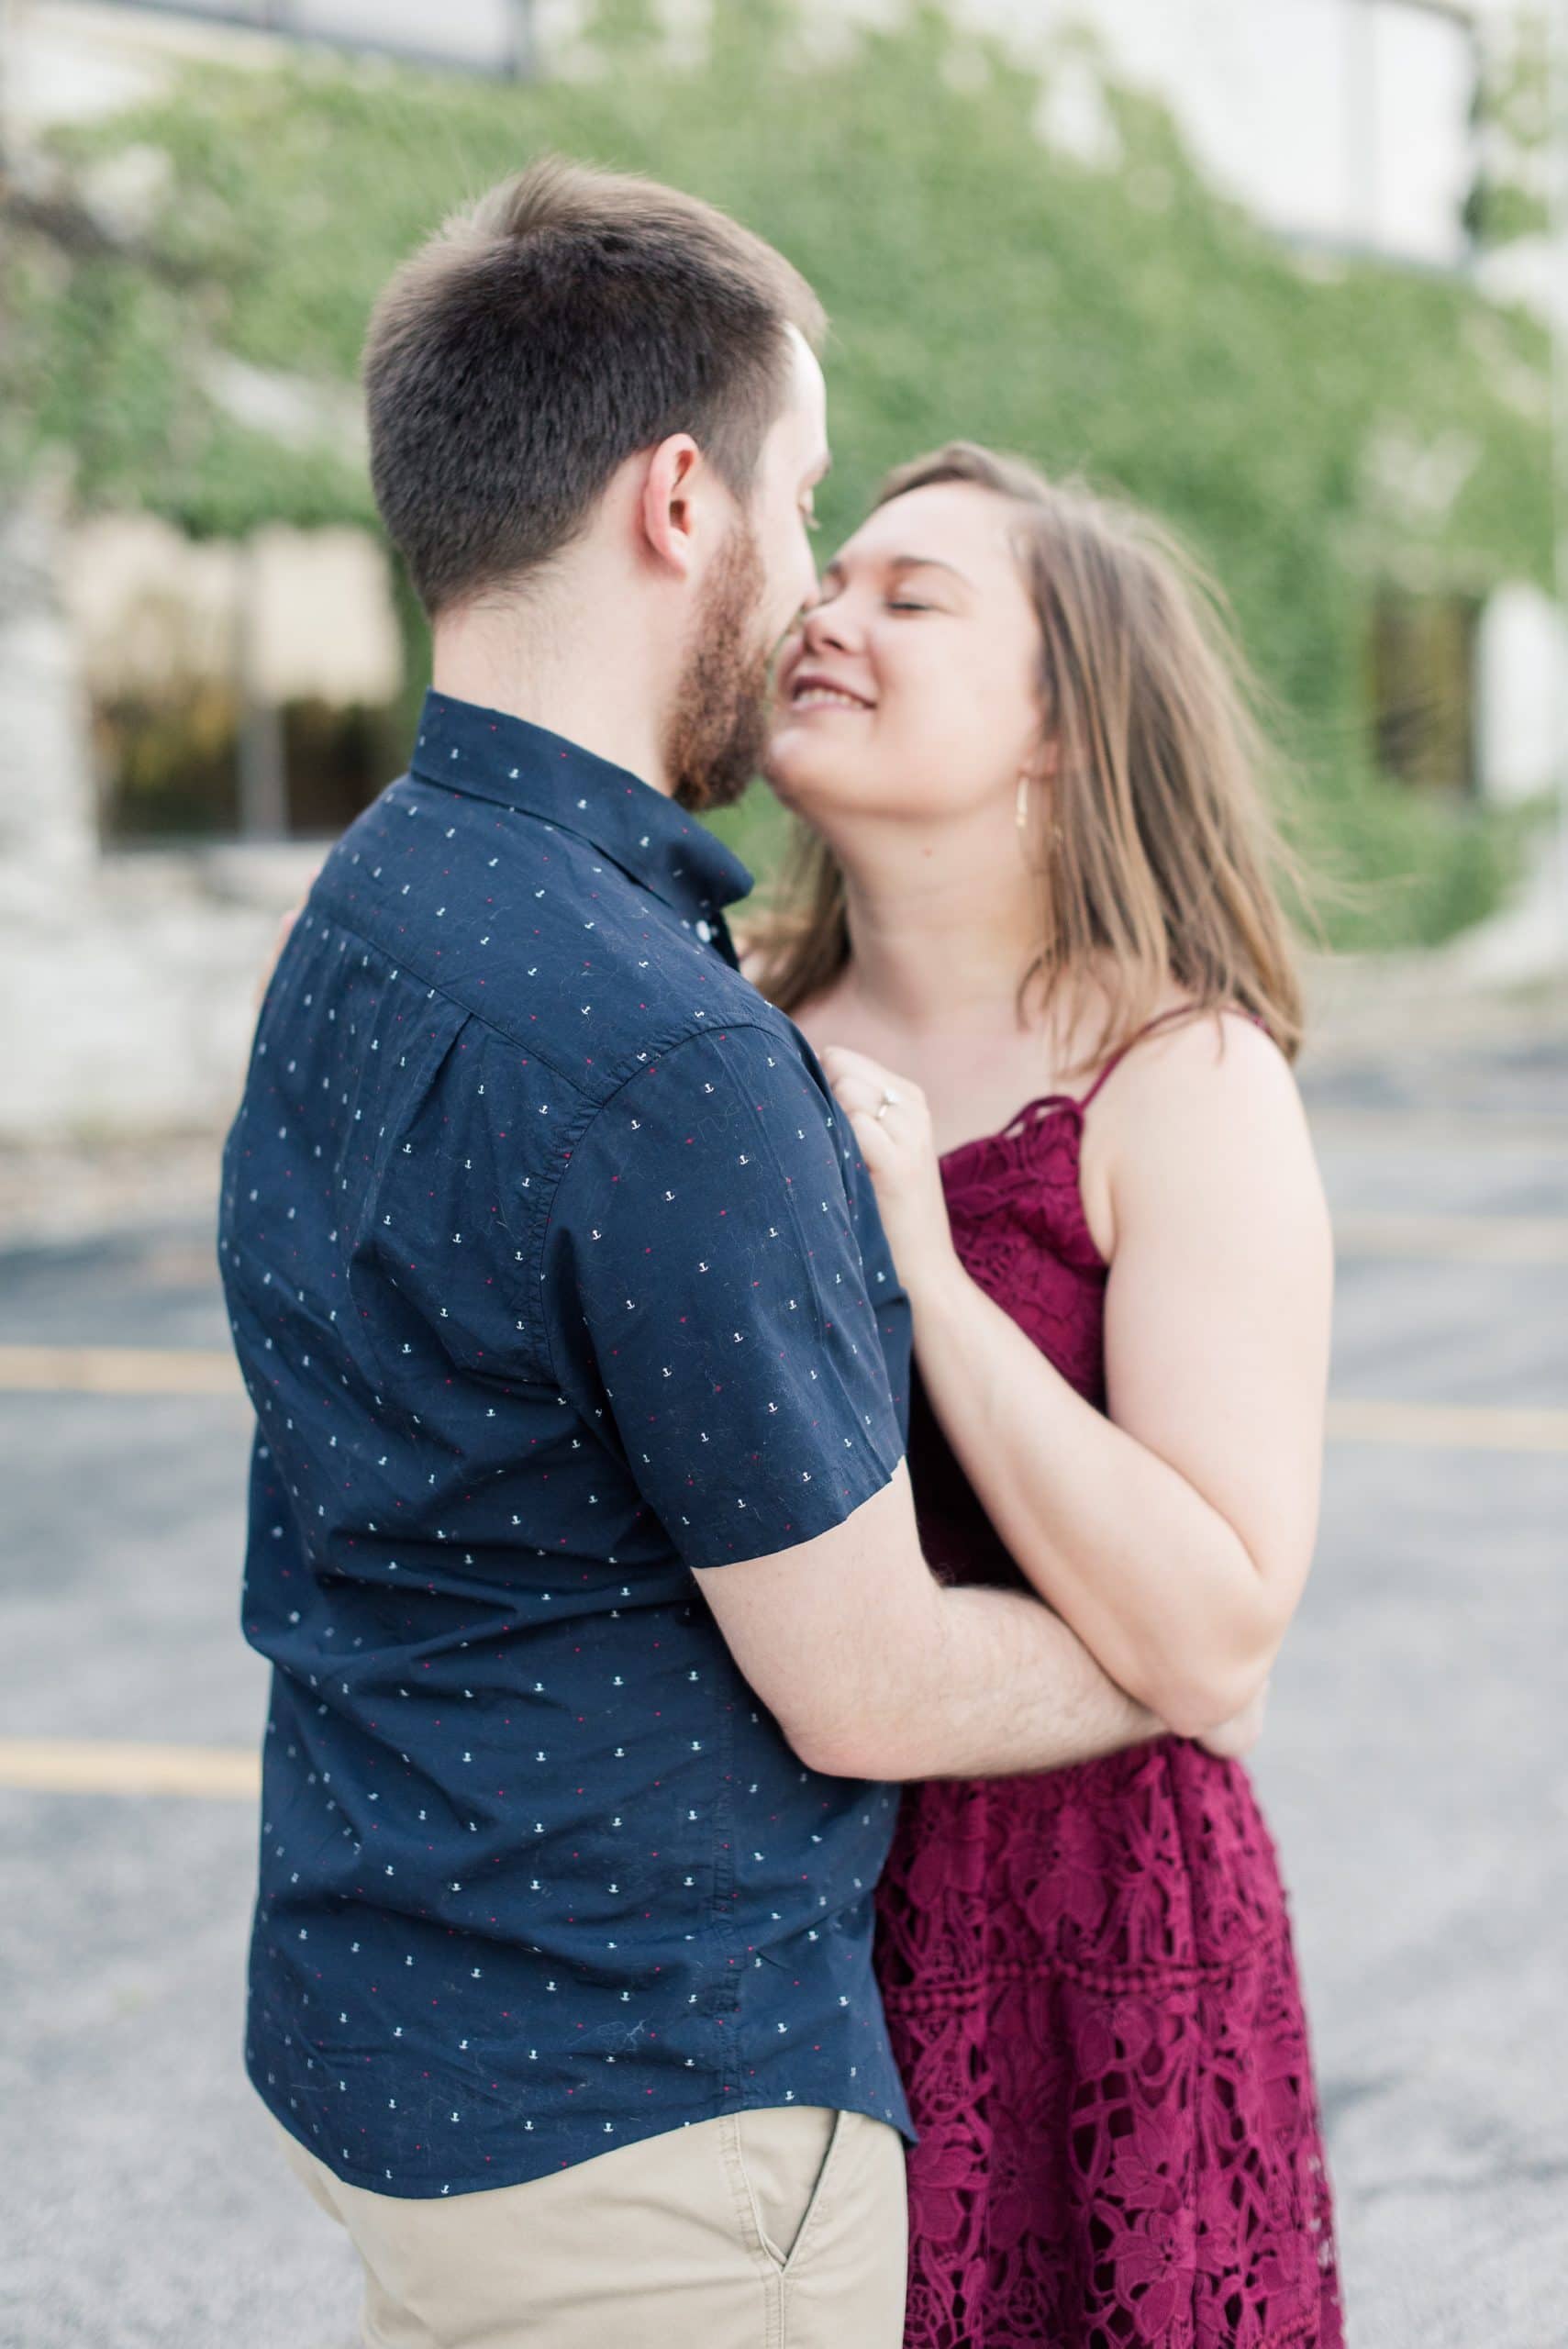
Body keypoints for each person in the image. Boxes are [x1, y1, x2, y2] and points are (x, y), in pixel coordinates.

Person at [219, 165, 1258, 2349]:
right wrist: (1170, 1667)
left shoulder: (379, 902)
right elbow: (869, 1673)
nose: (815, 596)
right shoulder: (680, 1047)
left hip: (421, 2030)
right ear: (681, 500)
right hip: (643, 2113)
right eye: (805, 509)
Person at [751, 441, 1344, 2347]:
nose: (830, 613)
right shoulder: (715, 1028)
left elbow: (1214, 1615)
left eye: (913, 597)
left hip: (1105, 1954)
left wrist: (926, 1270)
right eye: (830, 576)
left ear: (1064, 729)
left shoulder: (1185, 1078)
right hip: (769, 1929)